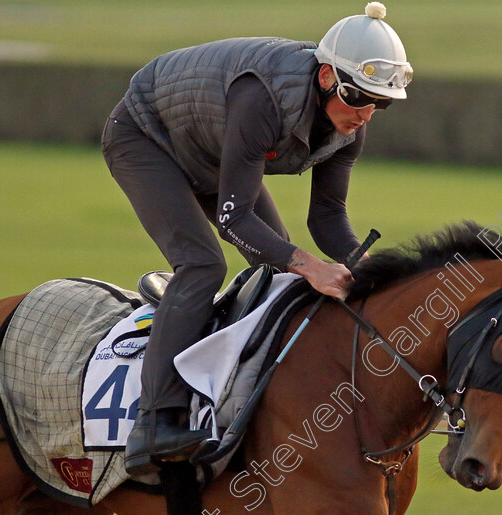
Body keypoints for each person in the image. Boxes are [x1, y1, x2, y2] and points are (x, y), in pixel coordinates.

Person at [100, 2, 413, 475]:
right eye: (359, 97)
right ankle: (154, 422)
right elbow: (233, 219)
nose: (367, 114)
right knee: (204, 264)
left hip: (207, 144)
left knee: (273, 264)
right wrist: (310, 266)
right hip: (147, 139)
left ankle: (239, 386)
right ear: (327, 76)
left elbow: (328, 215)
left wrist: (363, 265)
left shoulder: (350, 125)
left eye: (381, 103)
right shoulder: (262, 100)